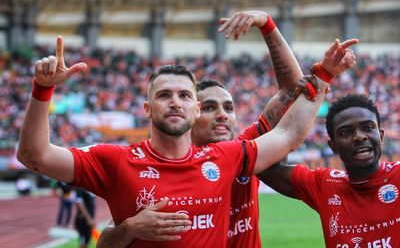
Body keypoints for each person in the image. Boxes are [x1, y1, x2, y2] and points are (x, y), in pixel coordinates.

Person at [17, 25, 350, 247]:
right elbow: (35, 156)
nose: (174, 101)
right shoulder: (115, 159)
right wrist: (42, 90)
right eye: (164, 95)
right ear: (147, 109)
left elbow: (290, 132)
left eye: (184, 96)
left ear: (195, 109)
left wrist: (324, 74)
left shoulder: (226, 157)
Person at [259, 94, 400, 248]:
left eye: (368, 128)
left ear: (381, 136)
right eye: (345, 132)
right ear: (333, 146)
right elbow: (266, 167)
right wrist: (288, 97)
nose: (359, 137)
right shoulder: (324, 185)